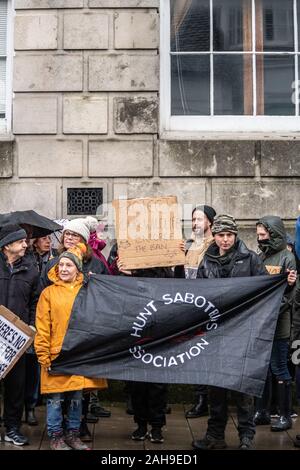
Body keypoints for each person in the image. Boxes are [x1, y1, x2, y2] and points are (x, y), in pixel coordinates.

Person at [192, 214, 268, 450]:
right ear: (214, 236)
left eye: (229, 235)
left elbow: (266, 288)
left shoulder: (251, 259)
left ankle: (246, 436)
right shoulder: (207, 261)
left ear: (235, 235)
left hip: (242, 334)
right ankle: (215, 436)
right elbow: (199, 296)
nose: (225, 240)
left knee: (242, 388)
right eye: (221, 235)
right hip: (216, 335)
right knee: (216, 388)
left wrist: (287, 282)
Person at [40, 216, 110, 438]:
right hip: (58, 338)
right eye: (67, 234)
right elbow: (43, 302)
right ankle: (57, 431)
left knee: (79, 390)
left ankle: (78, 427)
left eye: (75, 235)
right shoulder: (53, 267)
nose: (69, 238)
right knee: (56, 394)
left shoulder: (96, 264)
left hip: (83, 339)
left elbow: (107, 294)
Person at [118, 259, 173, 444]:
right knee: (137, 384)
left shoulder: (167, 271)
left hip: (160, 333)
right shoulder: (130, 267)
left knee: (158, 384)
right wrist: (123, 273)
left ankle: (157, 427)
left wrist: (178, 259)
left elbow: (180, 288)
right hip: (136, 333)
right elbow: (119, 295)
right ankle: (141, 424)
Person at [254, 216, 297, 432]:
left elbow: (290, 295)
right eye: (258, 235)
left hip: (279, 324)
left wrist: (268, 311)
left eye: (263, 235)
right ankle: (261, 412)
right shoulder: (261, 257)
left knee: (279, 367)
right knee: (263, 369)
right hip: (262, 324)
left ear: (274, 234)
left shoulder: (287, 258)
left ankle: (284, 415)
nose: (260, 239)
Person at [0, 224, 40, 446]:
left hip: (17, 339)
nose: (26, 244)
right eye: (21, 241)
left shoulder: (31, 269)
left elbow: (35, 302)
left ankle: (12, 428)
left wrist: (32, 325)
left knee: (16, 386)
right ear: (7, 246)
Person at [175, 205, 216, 419]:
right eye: (193, 220)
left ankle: (206, 400)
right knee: (193, 353)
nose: (195, 223)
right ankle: (199, 397)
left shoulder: (215, 246)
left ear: (209, 222)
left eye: (199, 219)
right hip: (189, 307)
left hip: (206, 308)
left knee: (205, 353)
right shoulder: (189, 244)